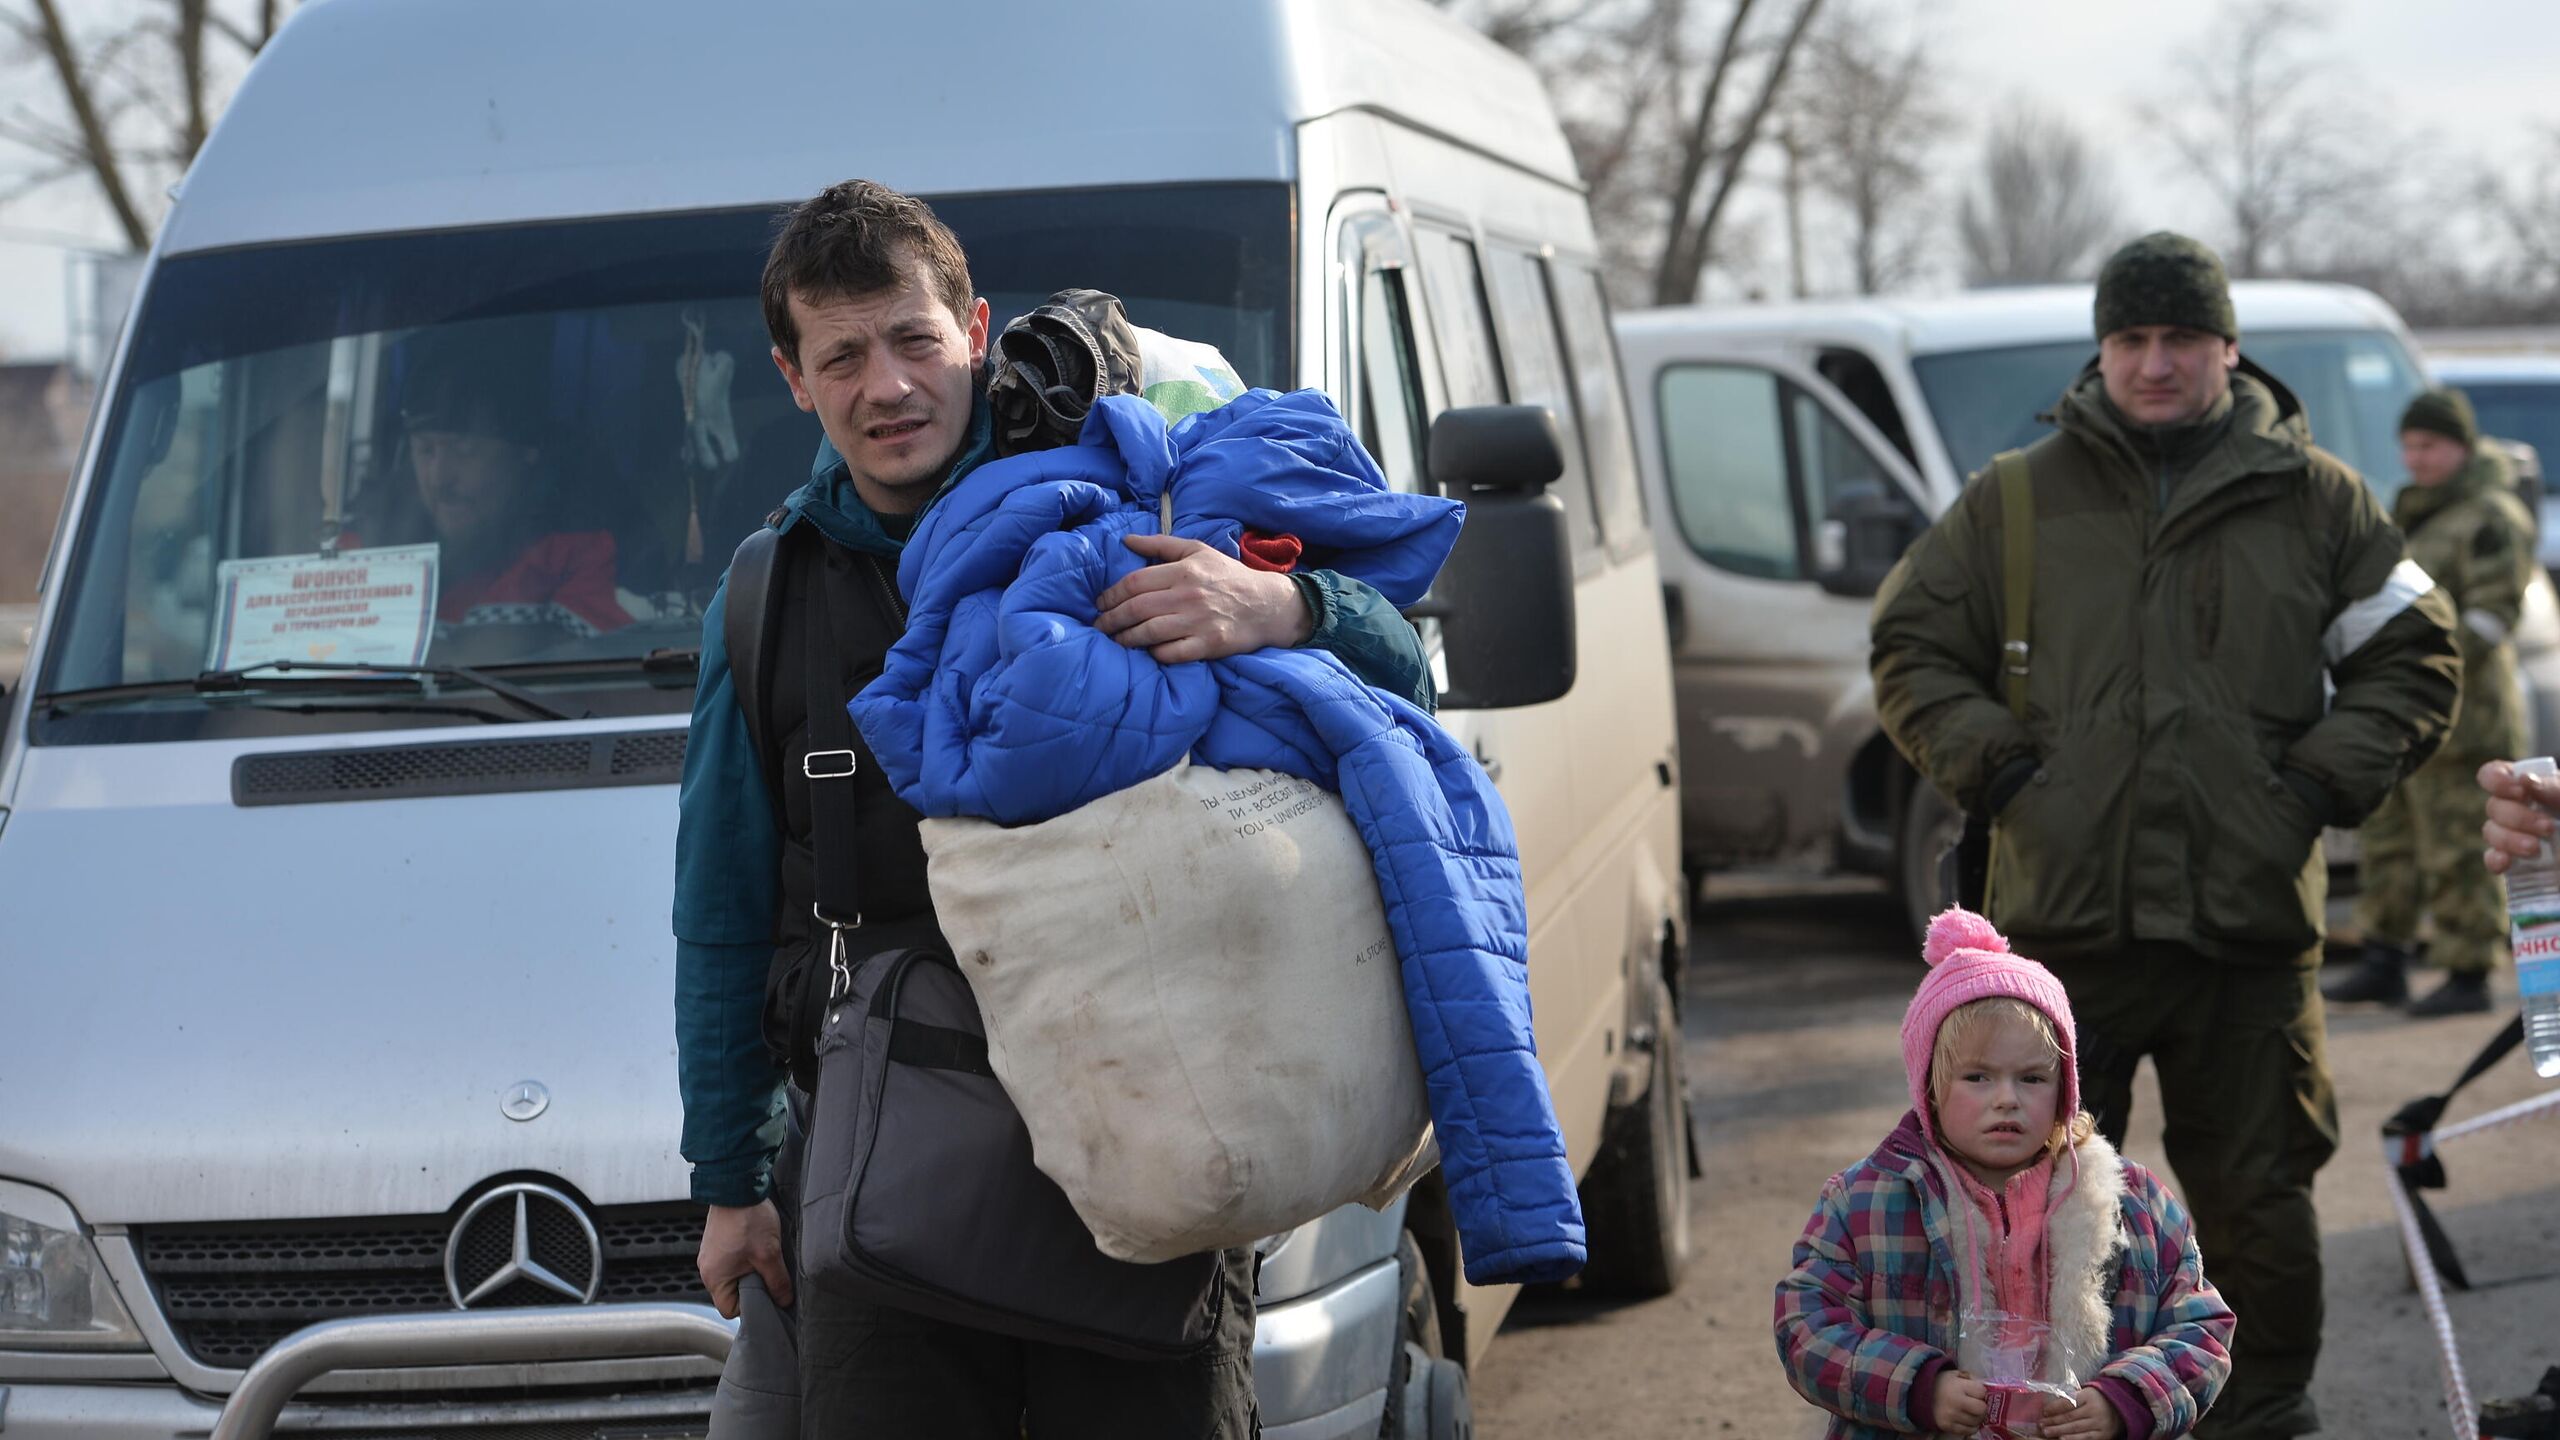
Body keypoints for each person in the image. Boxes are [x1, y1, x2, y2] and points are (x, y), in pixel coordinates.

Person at [671, 179, 1434, 1436]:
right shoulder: (766, 597)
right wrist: (730, 1182)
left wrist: (1280, 609)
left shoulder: (1146, 495)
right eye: (842, 355)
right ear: (793, 379)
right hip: (883, 1179)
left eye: (914, 339)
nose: (887, 386)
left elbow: (1398, 676)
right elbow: (721, 910)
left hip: (1150, 1143)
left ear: (975, 331)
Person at [1869, 231, 2461, 1438]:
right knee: (2037, 1211)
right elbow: (1911, 646)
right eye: (2131, 339)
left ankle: (2260, 1417)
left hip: (2246, 925)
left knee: (2255, 1204)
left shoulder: (2317, 500)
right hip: (2057, 939)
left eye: (2180, 338)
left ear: (2225, 347)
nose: (2154, 363)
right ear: (2102, 348)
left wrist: (2299, 793)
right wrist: (2010, 771)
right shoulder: (2016, 499)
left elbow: (2415, 653)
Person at [1776, 908, 2236, 1440]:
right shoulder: (1863, 1203)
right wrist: (1919, 1387)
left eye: (2033, 1078)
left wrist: (2126, 1399)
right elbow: (1806, 1327)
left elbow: (2201, 1326)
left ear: (2066, 1088)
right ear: (1929, 1087)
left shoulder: (2133, 1205)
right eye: (1977, 1076)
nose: (2006, 1100)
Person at [2328, 389, 2537, 1016]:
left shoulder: (2489, 516)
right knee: (2392, 839)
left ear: (2462, 448)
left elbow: (2494, 614)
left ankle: (2468, 973)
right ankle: (2384, 958)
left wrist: (2421, 657)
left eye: (2430, 445)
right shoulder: (2418, 511)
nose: (2416, 458)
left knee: (2460, 846)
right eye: (2410, 445)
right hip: (2408, 709)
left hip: (2469, 716)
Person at [394, 346, 634, 636]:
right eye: (425, 450)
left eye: (464, 450)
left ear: (525, 453)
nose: (439, 479)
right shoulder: (364, 551)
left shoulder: (579, 552)